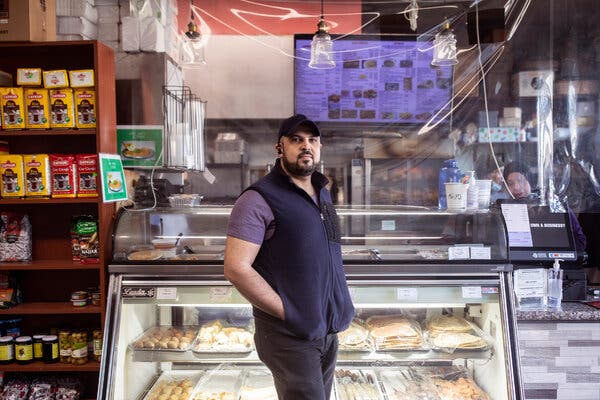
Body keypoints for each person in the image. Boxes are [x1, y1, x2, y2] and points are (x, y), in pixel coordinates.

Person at [224, 114, 355, 400]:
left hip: (326, 331)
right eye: (296, 140)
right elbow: (236, 268)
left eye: (312, 140)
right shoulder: (258, 198)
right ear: (279, 148)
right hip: (288, 336)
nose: (305, 146)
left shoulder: (322, 192)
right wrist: (289, 311)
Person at [503, 161, 587, 251]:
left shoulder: (553, 205)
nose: (516, 187)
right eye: (510, 184)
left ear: (531, 181)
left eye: (521, 181)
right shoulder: (505, 211)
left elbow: (580, 243)